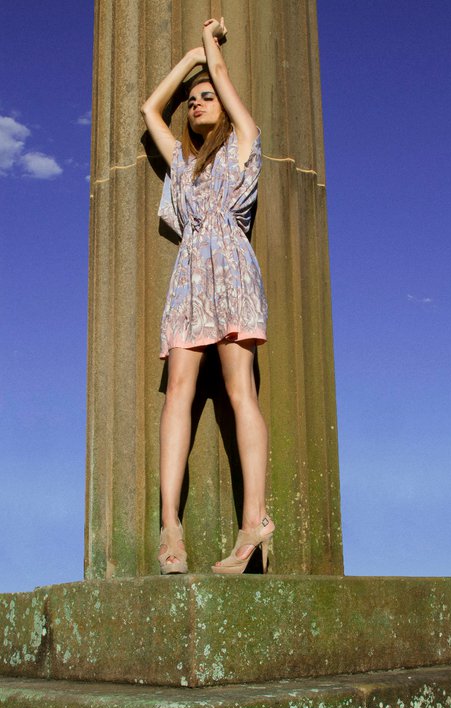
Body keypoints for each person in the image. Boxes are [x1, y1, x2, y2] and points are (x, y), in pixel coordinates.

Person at [141, 18, 274, 575]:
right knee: (178, 393)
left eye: (207, 96)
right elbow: (150, 110)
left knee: (242, 392)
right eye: (192, 99)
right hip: (190, 278)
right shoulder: (182, 163)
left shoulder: (244, 142)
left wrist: (209, 46)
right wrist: (190, 64)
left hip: (233, 271)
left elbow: (220, 75)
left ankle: (254, 522)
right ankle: (170, 525)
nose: (196, 102)